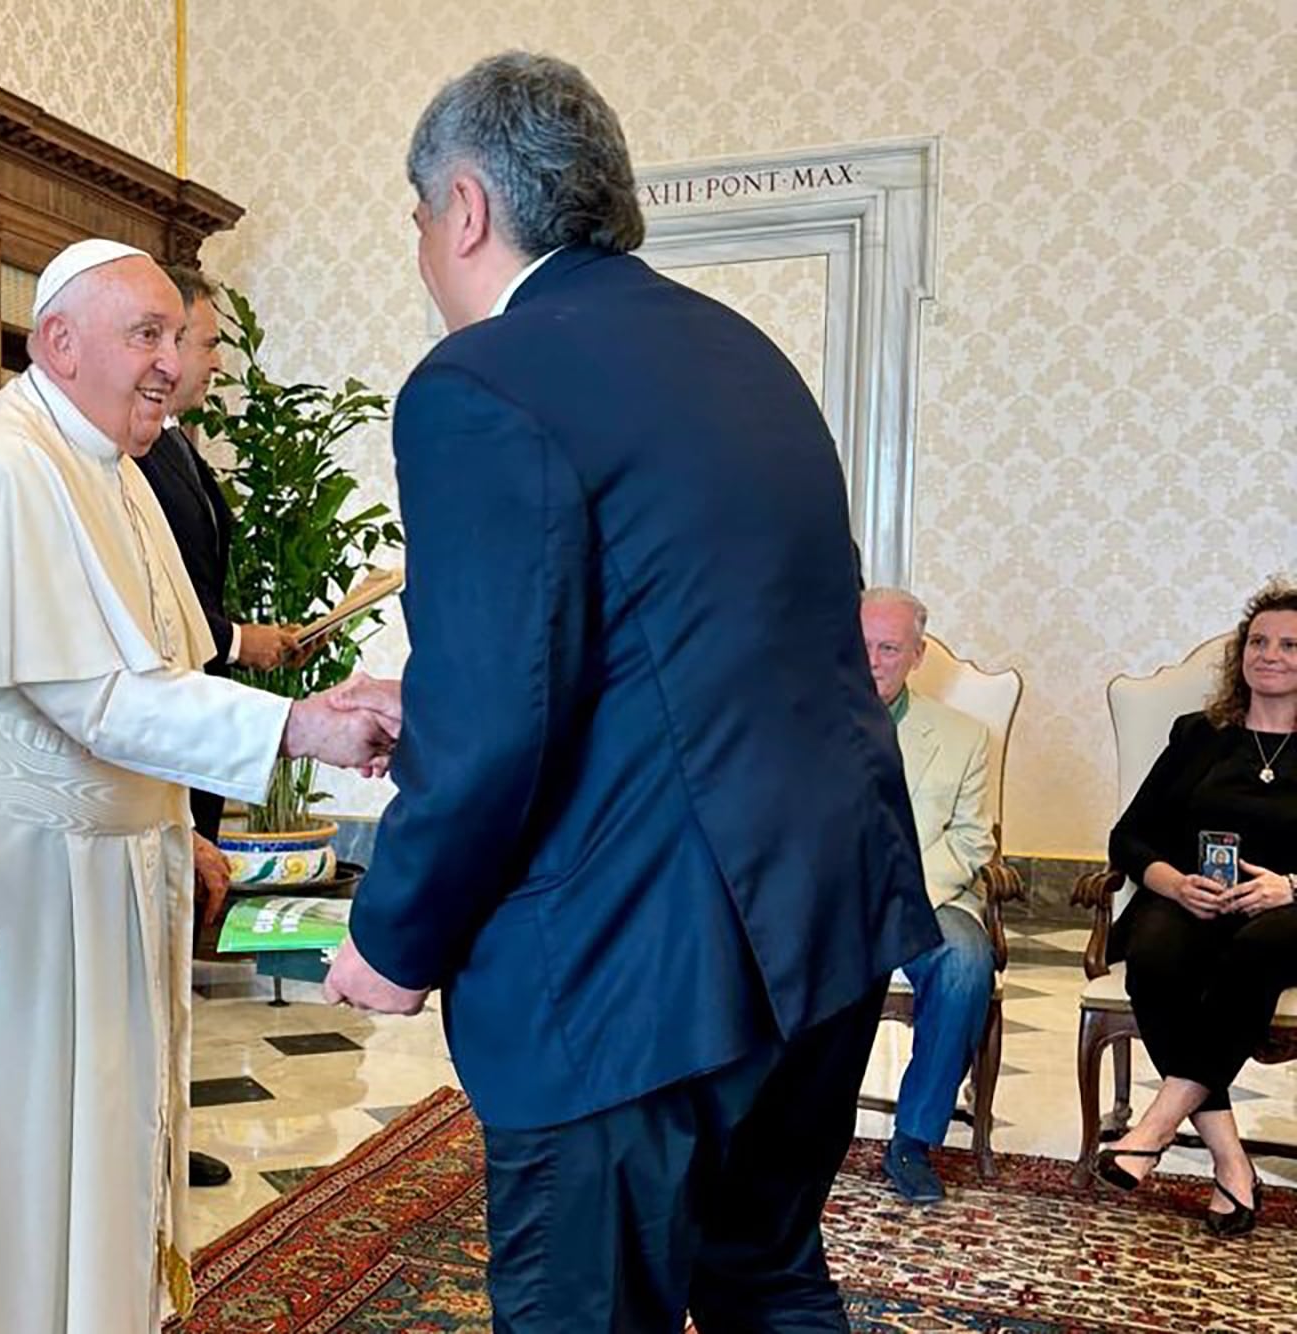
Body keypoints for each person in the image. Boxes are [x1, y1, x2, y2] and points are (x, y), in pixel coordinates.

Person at [321, 52, 937, 1333]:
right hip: (821, 928)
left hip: (628, 974)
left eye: (420, 218)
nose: (425, 250)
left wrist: (389, 939)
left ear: (470, 207)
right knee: (765, 1274)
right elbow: (690, 645)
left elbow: (493, 725)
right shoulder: (742, 354)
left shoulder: (477, 381)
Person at [0, 238, 397, 1333]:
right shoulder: (4, 464)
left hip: (86, 859)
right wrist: (301, 724)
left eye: (173, 338)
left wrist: (165, 823)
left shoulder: (110, 461)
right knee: (7, 1159)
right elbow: (93, 696)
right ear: (60, 340)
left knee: (96, 1143)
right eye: (146, 335)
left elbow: (155, 672)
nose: (171, 364)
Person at [136, 263, 297, 1189]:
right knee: (162, 932)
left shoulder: (177, 446)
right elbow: (164, 615)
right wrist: (242, 640)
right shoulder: (137, 454)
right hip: (168, 718)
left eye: (186, 345)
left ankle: (162, 1128)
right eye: (201, 342)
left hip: (190, 714)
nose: (199, 360)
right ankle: (149, 1135)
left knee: (180, 929)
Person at [1093, 580, 1297, 1239]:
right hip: (1195, 898)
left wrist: (1290, 885)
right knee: (1152, 954)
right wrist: (1174, 883)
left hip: (1286, 913)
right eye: (1259, 642)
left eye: (1291, 644)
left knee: (1261, 946)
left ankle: (1153, 1126)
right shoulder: (1200, 736)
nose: (1271, 655)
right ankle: (1231, 1161)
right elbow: (1128, 836)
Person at [860, 588, 997, 1204]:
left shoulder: (963, 737)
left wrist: (895, 894)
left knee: (966, 961)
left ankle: (913, 1140)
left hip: (927, 896)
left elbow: (972, 843)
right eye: (859, 643)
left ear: (917, 656)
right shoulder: (792, 720)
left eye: (888, 648)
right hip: (816, 898)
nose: (871, 659)